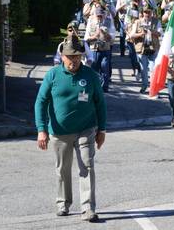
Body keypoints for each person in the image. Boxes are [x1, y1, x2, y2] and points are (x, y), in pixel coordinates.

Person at [35, 37, 107, 223]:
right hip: (60, 132)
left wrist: (102, 130)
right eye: (69, 56)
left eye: (76, 56)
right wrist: (41, 129)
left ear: (81, 56)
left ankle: (88, 208)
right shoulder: (53, 75)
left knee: (87, 166)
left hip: (86, 128)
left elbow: (100, 103)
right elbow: (40, 102)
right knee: (63, 169)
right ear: (62, 56)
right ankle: (63, 203)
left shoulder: (90, 75)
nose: (73, 60)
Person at [129, 7, 163, 94]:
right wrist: (141, 34)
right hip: (141, 48)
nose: (147, 14)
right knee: (143, 69)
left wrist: (151, 31)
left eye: (149, 12)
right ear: (143, 13)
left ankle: (153, 88)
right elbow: (131, 35)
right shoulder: (137, 22)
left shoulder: (156, 21)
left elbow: (160, 33)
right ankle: (144, 86)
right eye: (145, 12)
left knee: (153, 69)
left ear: (152, 12)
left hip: (153, 48)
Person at [85, 8, 115, 93]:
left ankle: (104, 87)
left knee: (105, 67)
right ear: (95, 15)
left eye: (101, 16)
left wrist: (106, 34)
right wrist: (95, 36)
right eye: (98, 16)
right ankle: (94, 87)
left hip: (105, 49)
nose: (99, 17)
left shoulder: (109, 22)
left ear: (104, 15)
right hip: (94, 49)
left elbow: (112, 38)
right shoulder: (90, 22)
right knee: (94, 69)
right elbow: (86, 38)